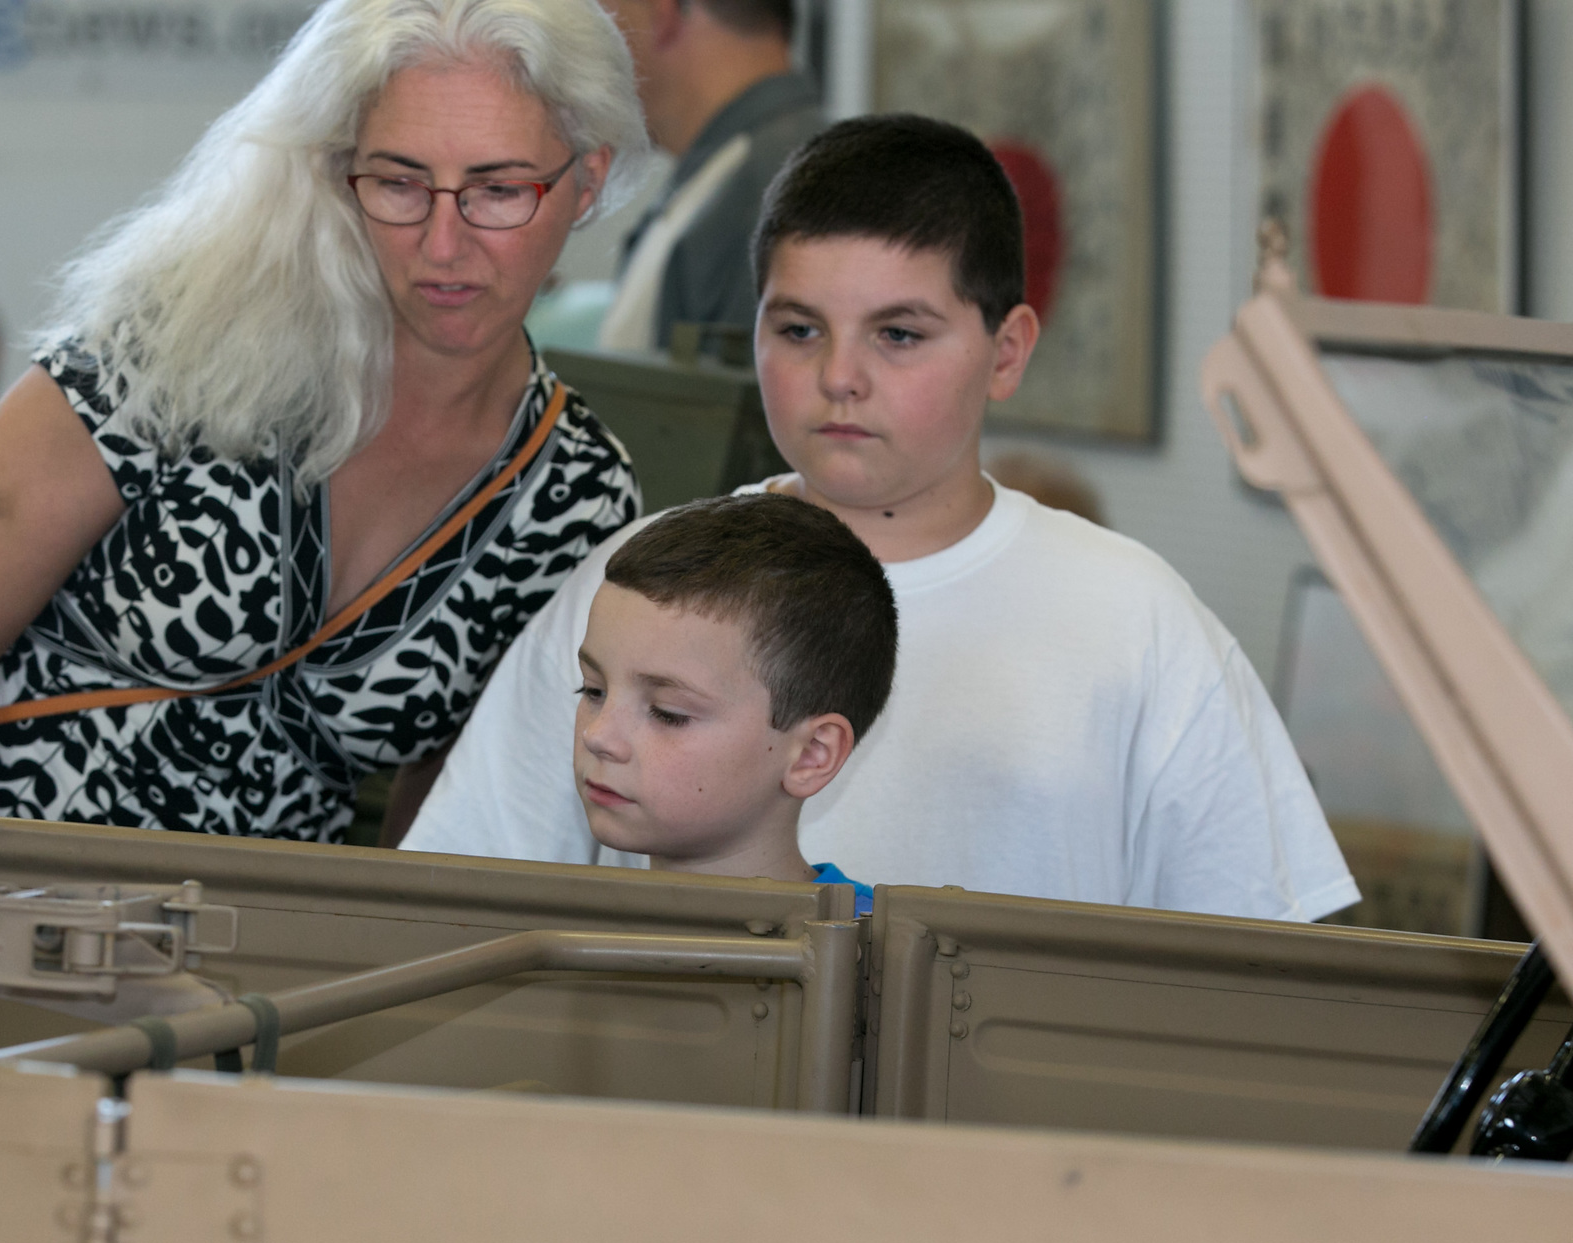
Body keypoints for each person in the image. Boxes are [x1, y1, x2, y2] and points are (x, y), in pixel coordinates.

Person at [408, 114, 1359, 922]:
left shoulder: (1136, 621)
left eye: (899, 334)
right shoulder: (640, 583)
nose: (839, 377)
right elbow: (456, 903)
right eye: (798, 329)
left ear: (1006, 350)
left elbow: (1266, 966)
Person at [0, 0, 647, 843]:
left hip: (276, 954)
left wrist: (376, 964)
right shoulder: (180, 346)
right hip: (9, 910)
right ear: (337, 169)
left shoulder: (576, 496)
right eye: (398, 183)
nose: (444, 243)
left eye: (499, 190)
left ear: (588, 182)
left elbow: (460, 808)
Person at [575, 492, 893, 912]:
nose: (598, 736)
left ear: (812, 755)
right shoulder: (541, 941)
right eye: (593, 690)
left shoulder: (882, 965)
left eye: (668, 714)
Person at [592, 0, 821, 353]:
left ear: (662, 14)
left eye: (602, 15)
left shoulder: (782, 186)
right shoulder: (734, 171)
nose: (592, 48)